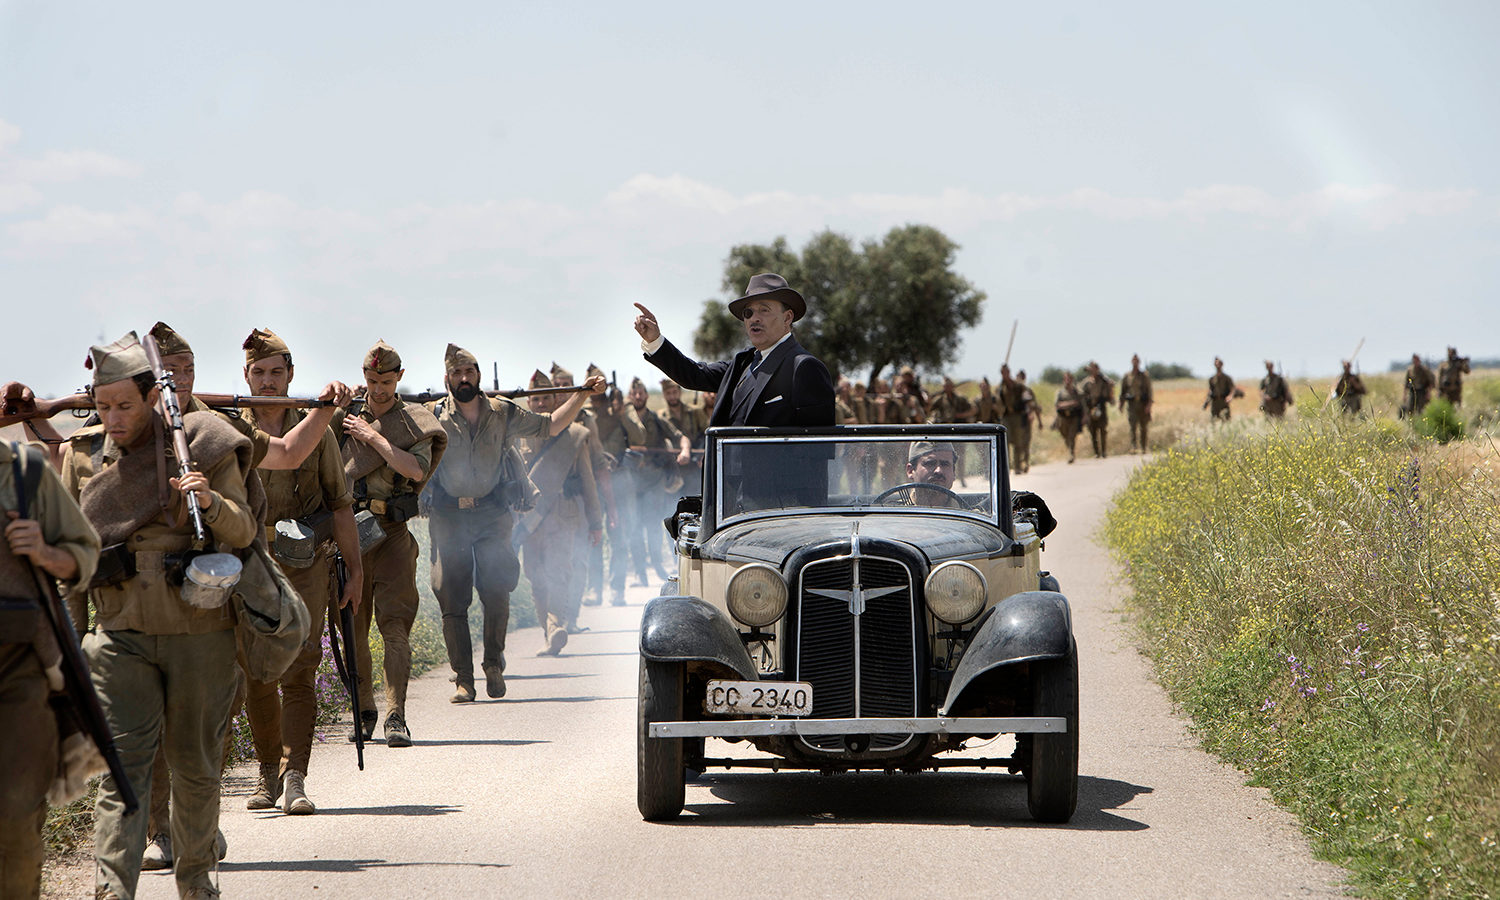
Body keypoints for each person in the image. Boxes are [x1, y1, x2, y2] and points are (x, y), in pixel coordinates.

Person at [61, 332, 259, 900]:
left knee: (195, 768)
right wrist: (73, 643)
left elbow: (244, 531)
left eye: (124, 405)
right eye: (102, 406)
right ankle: (111, 889)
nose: (113, 418)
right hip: (120, 634)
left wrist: (211, 502)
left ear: (152, 398)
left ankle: (195, 882)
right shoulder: (82, 455)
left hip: (199, 633)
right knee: (121, 771)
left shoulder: (203, 443)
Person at [424, 345, 602, 703]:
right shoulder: (431, 416)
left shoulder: (501, 412)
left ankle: (493, 663)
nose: (463, 378)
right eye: (456, 373)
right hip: (449, 516)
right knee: (451, 596)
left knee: (496, 590)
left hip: (492, 514)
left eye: (469, 372)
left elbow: (550, 425)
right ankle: (463, 678)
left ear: (478, 376)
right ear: (446, 379)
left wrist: (581, 394)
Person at [238, 328, 363, 815]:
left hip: (307, 563)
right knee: (255, 672)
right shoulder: (231, 430)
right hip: (250, 564)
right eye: (258, 373)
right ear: (245, 375)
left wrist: (354, 570)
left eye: (276, 373)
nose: (267, 382)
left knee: (300, 668)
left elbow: (340, 506)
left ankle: (295, 777)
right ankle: (267, 771)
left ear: (291, 376)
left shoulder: (320, 430)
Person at [1, 440, 100, 900]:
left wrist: (43, 551)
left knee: (17, 820)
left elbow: (83, 554)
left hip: (18, 668)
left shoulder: (22, 472)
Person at [337, 341, 445, 747]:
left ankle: (396, 715)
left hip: (393, 533)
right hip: (350, 533)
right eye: (370, 381)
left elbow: (416, 470)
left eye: (384, 381)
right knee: (354, 628)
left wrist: (375, 439)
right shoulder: (344, 415)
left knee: (395, 627)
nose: (376, 389)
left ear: (399, 377)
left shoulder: (414, 420)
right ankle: (364, 710)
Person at [633, 272, 835, 428]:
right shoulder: (742, 365)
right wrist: (655, 340)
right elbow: (693, 375)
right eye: (748, 313)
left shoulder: (803, 367)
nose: (754, 318)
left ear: (787, 317)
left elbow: (816, 447)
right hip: (729, 481)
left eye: (764, 310)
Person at [518, 370, 604, 656]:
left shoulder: (575, 435)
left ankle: (556, 626)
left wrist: (595, 522)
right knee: (534, 575)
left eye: (546, 398)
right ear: (529, 404)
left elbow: (589, 481)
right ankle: (548, 630)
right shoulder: (517, 436)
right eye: (536, 400)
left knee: (559, 572)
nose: (541, 404)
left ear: (556, 400)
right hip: (529, 519)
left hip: (563, 515)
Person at [624, 377, 689, 583]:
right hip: (632, 484)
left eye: (641, 392)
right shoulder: (625, 420)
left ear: (646, 395)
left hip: (654, 483)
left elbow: (679, 436)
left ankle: (659, 567)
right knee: (634, 528)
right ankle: (641, 573)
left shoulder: (656, 419)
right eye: (634, 393)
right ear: (629, 396)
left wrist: (685, 450)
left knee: (653, 526)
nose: (638, 396)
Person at [1118, 354, 1153, 453]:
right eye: (1134, 361)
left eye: (1137, 361)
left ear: (1139, 362)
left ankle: (1144, 447)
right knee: (1132, 426)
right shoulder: (1127, 376)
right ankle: (1133, 447)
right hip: (1132, 404)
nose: (1135, 363)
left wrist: (1149, 405)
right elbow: (1123, 391)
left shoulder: (1144, 376)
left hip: (1142, 403)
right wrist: (1121, 404)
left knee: (1143, 427)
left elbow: (1149, 391)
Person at [1080, 362, 1114, 458]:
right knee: (1092, 430)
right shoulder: (1086, 382)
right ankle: (1096, 452)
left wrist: (1110, 388)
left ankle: (1104, 452)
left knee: (1103, 429)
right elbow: (1081, 394)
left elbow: (1110, 394)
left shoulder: (1104, 381)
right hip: (1090, 407)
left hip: (1101, 407)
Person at [1052, 371, 1084, 463]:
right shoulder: (1060, 392)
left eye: (1069, 379)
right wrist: (1070, 403)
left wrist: (1085, 416)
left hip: (1074, 416)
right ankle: (1070, 450)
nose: (1068, 381)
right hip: (1063, 417)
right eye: (1066, 379)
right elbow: (1057, 405)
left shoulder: (1077, 392)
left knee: (1072, 435)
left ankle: (1071, 454)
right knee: (1065, 435)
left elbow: (1081, 404)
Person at [1401, 353, 1435, 419]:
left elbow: (1431, 381)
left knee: (1421, 410)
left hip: (1422, 392)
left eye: (1417, 360)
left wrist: (1428, 392)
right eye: (1414, 360)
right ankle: (1412, 423)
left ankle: (1421, 423)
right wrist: (1404, 395)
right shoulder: (1410, 370)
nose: (1415, 362)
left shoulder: (1425, 370)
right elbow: (1406, 383)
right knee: (1410, 408)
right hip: (1412, 392)